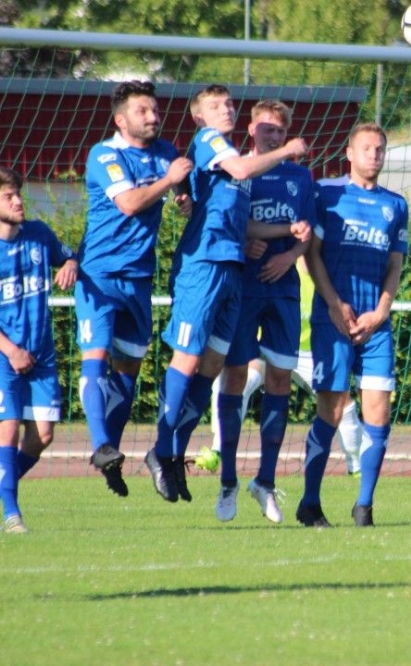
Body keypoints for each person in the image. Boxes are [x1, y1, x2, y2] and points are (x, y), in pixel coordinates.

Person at [143, 84, 308, 504]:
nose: (226, 109)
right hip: (203, 265)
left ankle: (175, 453)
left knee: (212, 366)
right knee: (188, 360)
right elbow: (240, 170)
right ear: (199, 116)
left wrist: (286, 231)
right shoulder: (212, 142)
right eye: (216, 105)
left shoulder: (227, 154)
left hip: (232, 268)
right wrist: (288, 150)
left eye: (230, 103)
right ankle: (161, 449)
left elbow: (224, 205)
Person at [76, 80, 193, 498]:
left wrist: (184, 199)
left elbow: (182, 195)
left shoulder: (165, 152)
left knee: (128, 374)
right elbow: (128, 203)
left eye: (155, 109)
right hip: (99, 275)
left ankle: (111, 456)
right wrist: (169, 180)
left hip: (139, 278)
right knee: (95, 357)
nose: (153, 116)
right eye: (143, 111)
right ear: (121, 119)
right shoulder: (104, 154)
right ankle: (99, 444)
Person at [203, 99, 315, 524]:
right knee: (235, 376)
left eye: (281, 130)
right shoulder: (238, 169)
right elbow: (232, 221)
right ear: (252, 130)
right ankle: (228, 481)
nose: (274, 135)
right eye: (267, 129)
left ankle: (264, 481)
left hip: (283, 290)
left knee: (280, 378)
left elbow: (307, 233)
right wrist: (254, 238)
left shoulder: (299, 176)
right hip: (244, 288)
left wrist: (290, 257)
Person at [300, 121, 408, 527]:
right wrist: (333, 303)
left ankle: (364, 506)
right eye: (366, 148)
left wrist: (382, 311)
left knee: (378, 411)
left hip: (375, 322)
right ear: (349, 153)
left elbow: (395, 264)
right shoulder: (327, 193)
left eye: (380, 149)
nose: (374, 155)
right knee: (331, 408)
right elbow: (311, 253)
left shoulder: (396, 205)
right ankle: (310, 502)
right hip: (334, 318)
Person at [199, 258, 364, 478]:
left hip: (309, 353)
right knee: (235, 381)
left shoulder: (328, 274)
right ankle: (218, 450)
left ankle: (357, 465)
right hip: (271, 346)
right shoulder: (280, 267)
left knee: (342, 405)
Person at [0, 167, 79, 532]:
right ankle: (12, 514)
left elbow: (69, 255)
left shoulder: (39, 234)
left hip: (41, 354)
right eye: (8, 197)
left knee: (43, 436)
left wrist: (70, 265)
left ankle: (5, 488)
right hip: (5, 355)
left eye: (18, 194)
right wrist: (11, 351)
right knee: (8, 430)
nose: (18, 201)